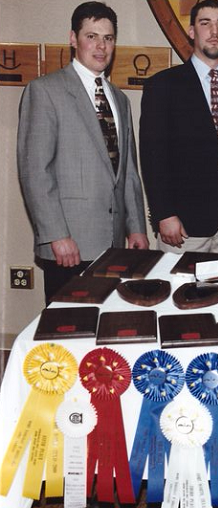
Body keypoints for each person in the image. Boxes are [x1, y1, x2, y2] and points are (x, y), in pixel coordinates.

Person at [17, 1, 149, 303]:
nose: (101, 46)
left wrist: (136, 228)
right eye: (92, 36)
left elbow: (128, 170)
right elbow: (35, 170)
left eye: (108, 38)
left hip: (114, 248)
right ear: (73, 39)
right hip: (69, 246)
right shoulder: (45, 91)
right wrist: (56, 236)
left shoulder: (120, 99)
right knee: (68, 335)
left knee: (108, 336)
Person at [139, 0, 218, 255]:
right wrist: (164, 213)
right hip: (183, 225)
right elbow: (152, 156)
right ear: (191, 32)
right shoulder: (163, 86)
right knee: (179, 292)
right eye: (205, 23)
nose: (214, 32)